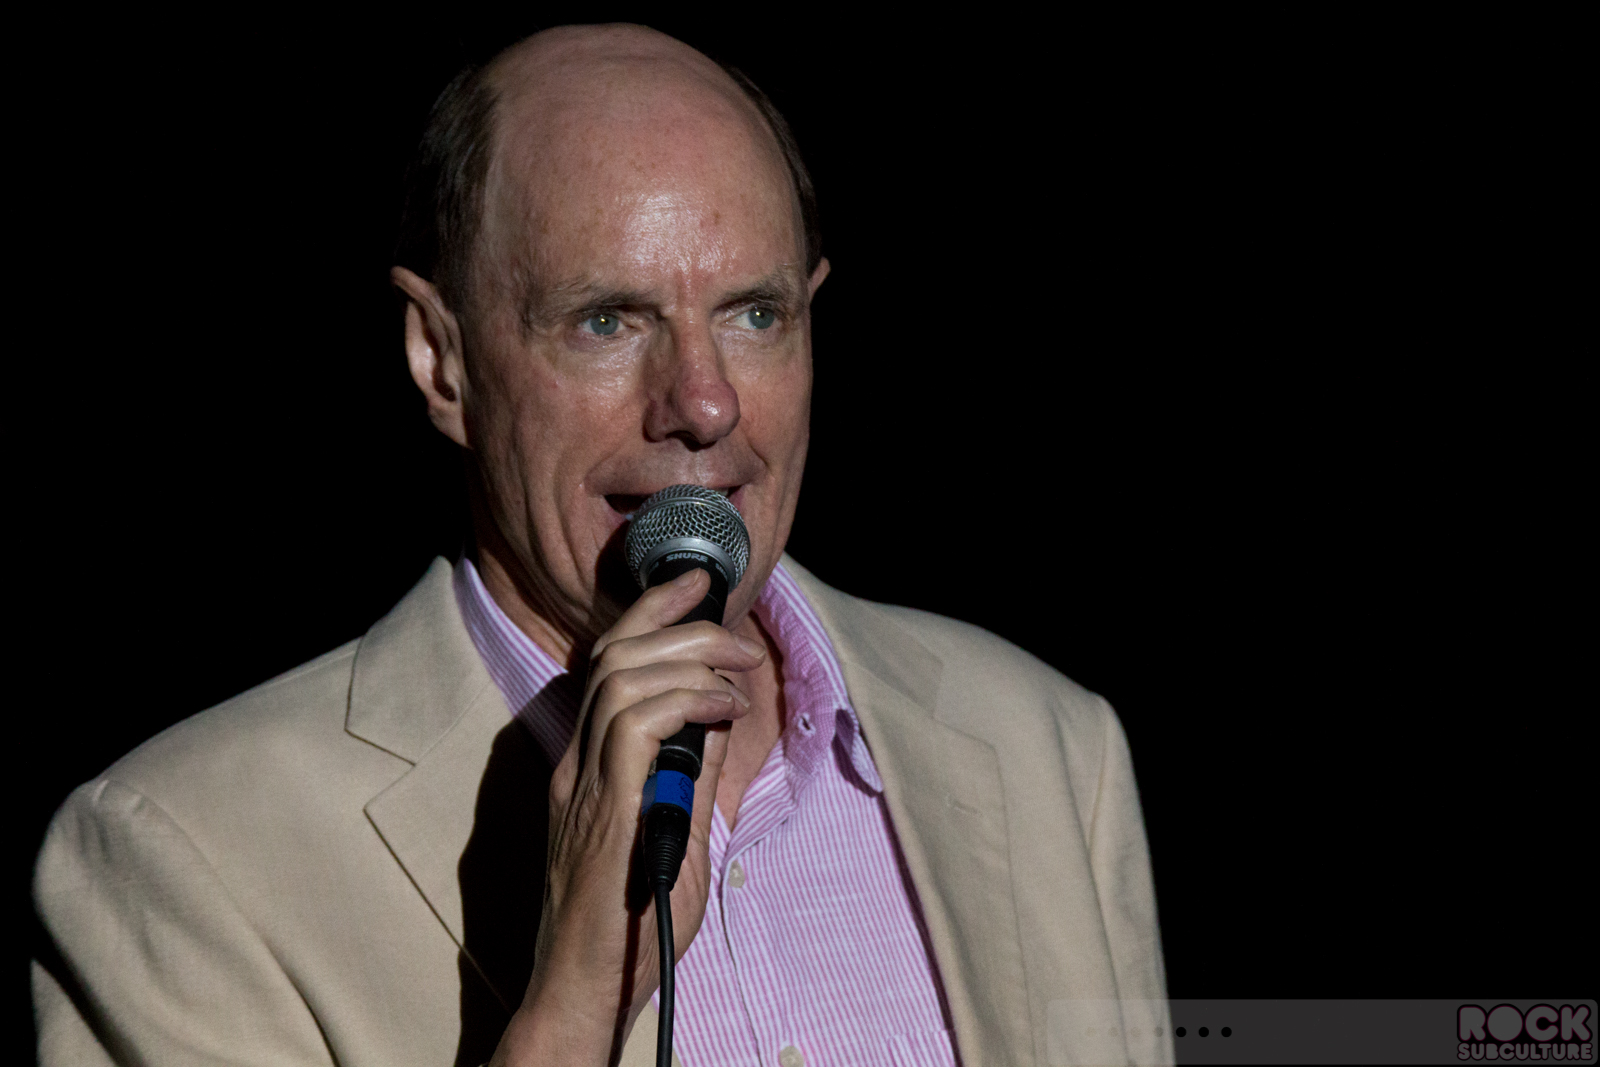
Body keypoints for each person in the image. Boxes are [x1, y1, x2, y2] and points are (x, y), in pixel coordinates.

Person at [33, 24, 1170, 1067]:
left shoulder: (1048, 746)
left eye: (754, 313)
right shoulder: (190, 858)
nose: (704, 402)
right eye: (607, 320)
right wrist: (571, 1002)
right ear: (442, 358)